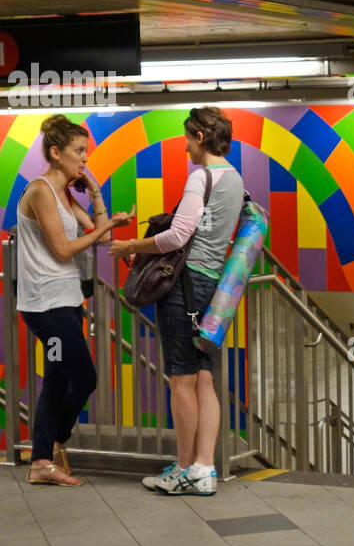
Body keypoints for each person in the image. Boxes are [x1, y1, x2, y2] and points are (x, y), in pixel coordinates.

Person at [111, 107, 244, 496]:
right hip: (214, 289)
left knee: (180, 380)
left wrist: (131, 246)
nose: (185, 147)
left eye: (188, 138)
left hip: (185, 286)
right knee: (204, 379)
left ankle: (186, 468)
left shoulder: (200, 177)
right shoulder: (235, 180)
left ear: (200, 137)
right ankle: (205, 468)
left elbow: (177, 236)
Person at [16, 114, 133, 487]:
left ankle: (40, 463)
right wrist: (107, 227)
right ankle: (51, 446)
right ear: (55, 152)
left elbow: (95, 233)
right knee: (83, 378)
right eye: (78, 151)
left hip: (65, 301)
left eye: (86, 152)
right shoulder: (40, 191)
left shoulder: (65, 193)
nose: (85, 158)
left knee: (56, 380)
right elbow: (66, 249)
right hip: (46, 307)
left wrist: (95, 190)